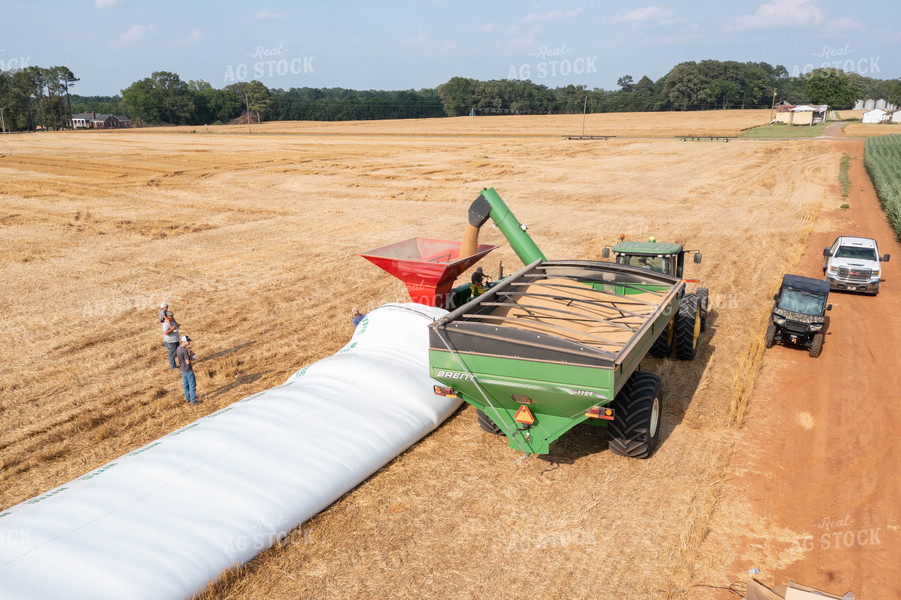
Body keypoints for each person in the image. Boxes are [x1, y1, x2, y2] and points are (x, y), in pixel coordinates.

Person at [175, 335, 201, 404]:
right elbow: (188, 362)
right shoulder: (184, 350)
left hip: (182, 369)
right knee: (192, 385)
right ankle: (193, 401)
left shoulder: (178, 348)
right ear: (184, 341)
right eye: (188, 341)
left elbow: (177, 358)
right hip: (188, 370)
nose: (189, 342)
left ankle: (188, 398)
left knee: (185, 385)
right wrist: (191, 355)